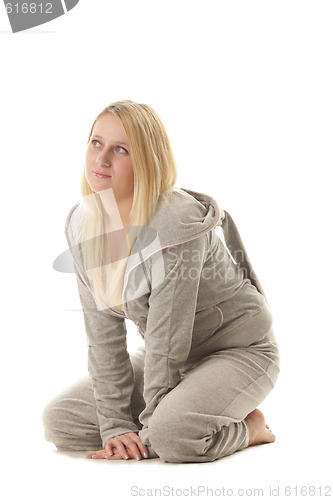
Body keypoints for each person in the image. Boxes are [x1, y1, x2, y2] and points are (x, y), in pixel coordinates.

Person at [42, 100, 280, 463]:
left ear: (147, 160)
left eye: (120, 149)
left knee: (171, 438)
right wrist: (114, 426)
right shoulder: (83, 222)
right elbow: (103, 336)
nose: (101, 159)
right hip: (170, 358)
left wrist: (153, 429)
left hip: (238, 351)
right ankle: (180, 413)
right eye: (96, 143)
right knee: (62, 422)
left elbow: (170, 337)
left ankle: (249, 428)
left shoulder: (174, 224)